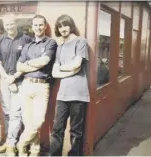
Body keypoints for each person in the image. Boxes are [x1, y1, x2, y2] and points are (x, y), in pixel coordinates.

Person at [16, 14, 57, 156]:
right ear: (32, 27)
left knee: (38, 121)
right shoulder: (27, 46)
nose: (38, 27)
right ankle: (33, 151)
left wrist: (27, 64)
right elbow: (18, 66)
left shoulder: (50, 43)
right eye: (35, 25)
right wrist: (32, 66)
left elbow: (44, 61)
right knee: (28, 124)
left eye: (41, 25)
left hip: (41, 87)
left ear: (45, 26)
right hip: (26, 85)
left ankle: (20, 144)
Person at [49, 14, 90, 156]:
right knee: (57, 129)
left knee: (76, 131)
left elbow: (77, 63)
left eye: (65, 25)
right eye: (60, 26)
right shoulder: (60, 48)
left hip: (79, 94)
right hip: (63, 95)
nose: (63, 28)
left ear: (71, 25)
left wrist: (63, 67)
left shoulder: (81, 41)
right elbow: (54, 73)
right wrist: (70, 71)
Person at [0, 13, 32, 156]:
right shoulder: (0, 41)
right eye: (6, 24)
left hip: (20, 81)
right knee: (8, 114)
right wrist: (7, 78)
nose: (9, 27)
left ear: (16, 23)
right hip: (5, 81)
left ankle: (15, 144)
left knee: (18, 114)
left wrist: (15, 77)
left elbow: (28, 62)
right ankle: (9, 143)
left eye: (11, 23)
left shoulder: (26, 39)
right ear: (4, 26)